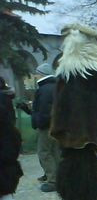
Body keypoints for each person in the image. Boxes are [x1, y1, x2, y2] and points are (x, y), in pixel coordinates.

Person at [0, 80, 23, 200]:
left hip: (5, 163)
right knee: (5, 198)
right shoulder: (9, 128)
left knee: (5, 197)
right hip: (5, 164)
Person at [32, 63, 61, 192]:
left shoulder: (44, 89)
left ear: (42, 74)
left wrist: (39, 123)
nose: (35, 75)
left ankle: (53, 180)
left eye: (37, 73)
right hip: (56, 125)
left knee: (44, 152)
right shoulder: (55, 86)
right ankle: (60, 178)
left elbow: (44, 110)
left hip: (47, 126)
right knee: (55, 152)